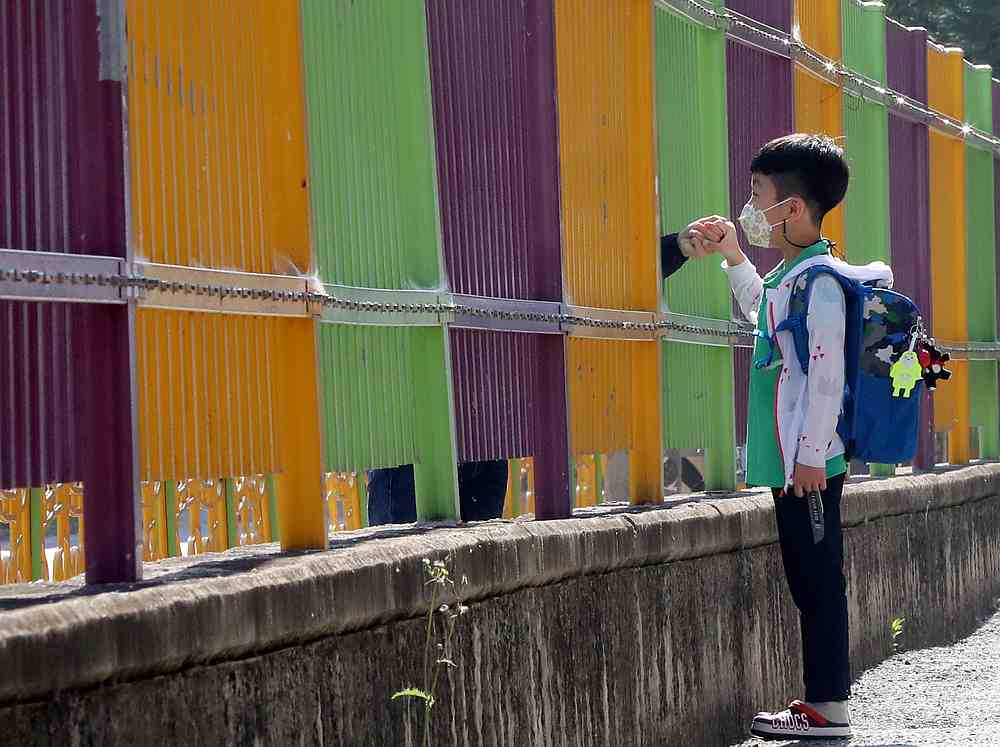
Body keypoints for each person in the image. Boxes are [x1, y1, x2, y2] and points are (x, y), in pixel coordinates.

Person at [684, 134, 893, 741]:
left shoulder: (821, 280)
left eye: (758, 194)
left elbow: (827, 377)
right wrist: (731, 255)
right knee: (807, 575)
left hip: (810, 463)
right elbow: (763, 318)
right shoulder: (794, 274)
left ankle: (828, 709)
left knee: (819, 579)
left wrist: (808, 458)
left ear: (793, 208)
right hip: (794, 459)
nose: (750, 207)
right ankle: (822, 704)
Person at [366, 232, 703, 526]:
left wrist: (675, 247)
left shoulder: (510, 233)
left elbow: (599, 273)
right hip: (415, 439)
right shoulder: (401, 231)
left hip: (486, 436)